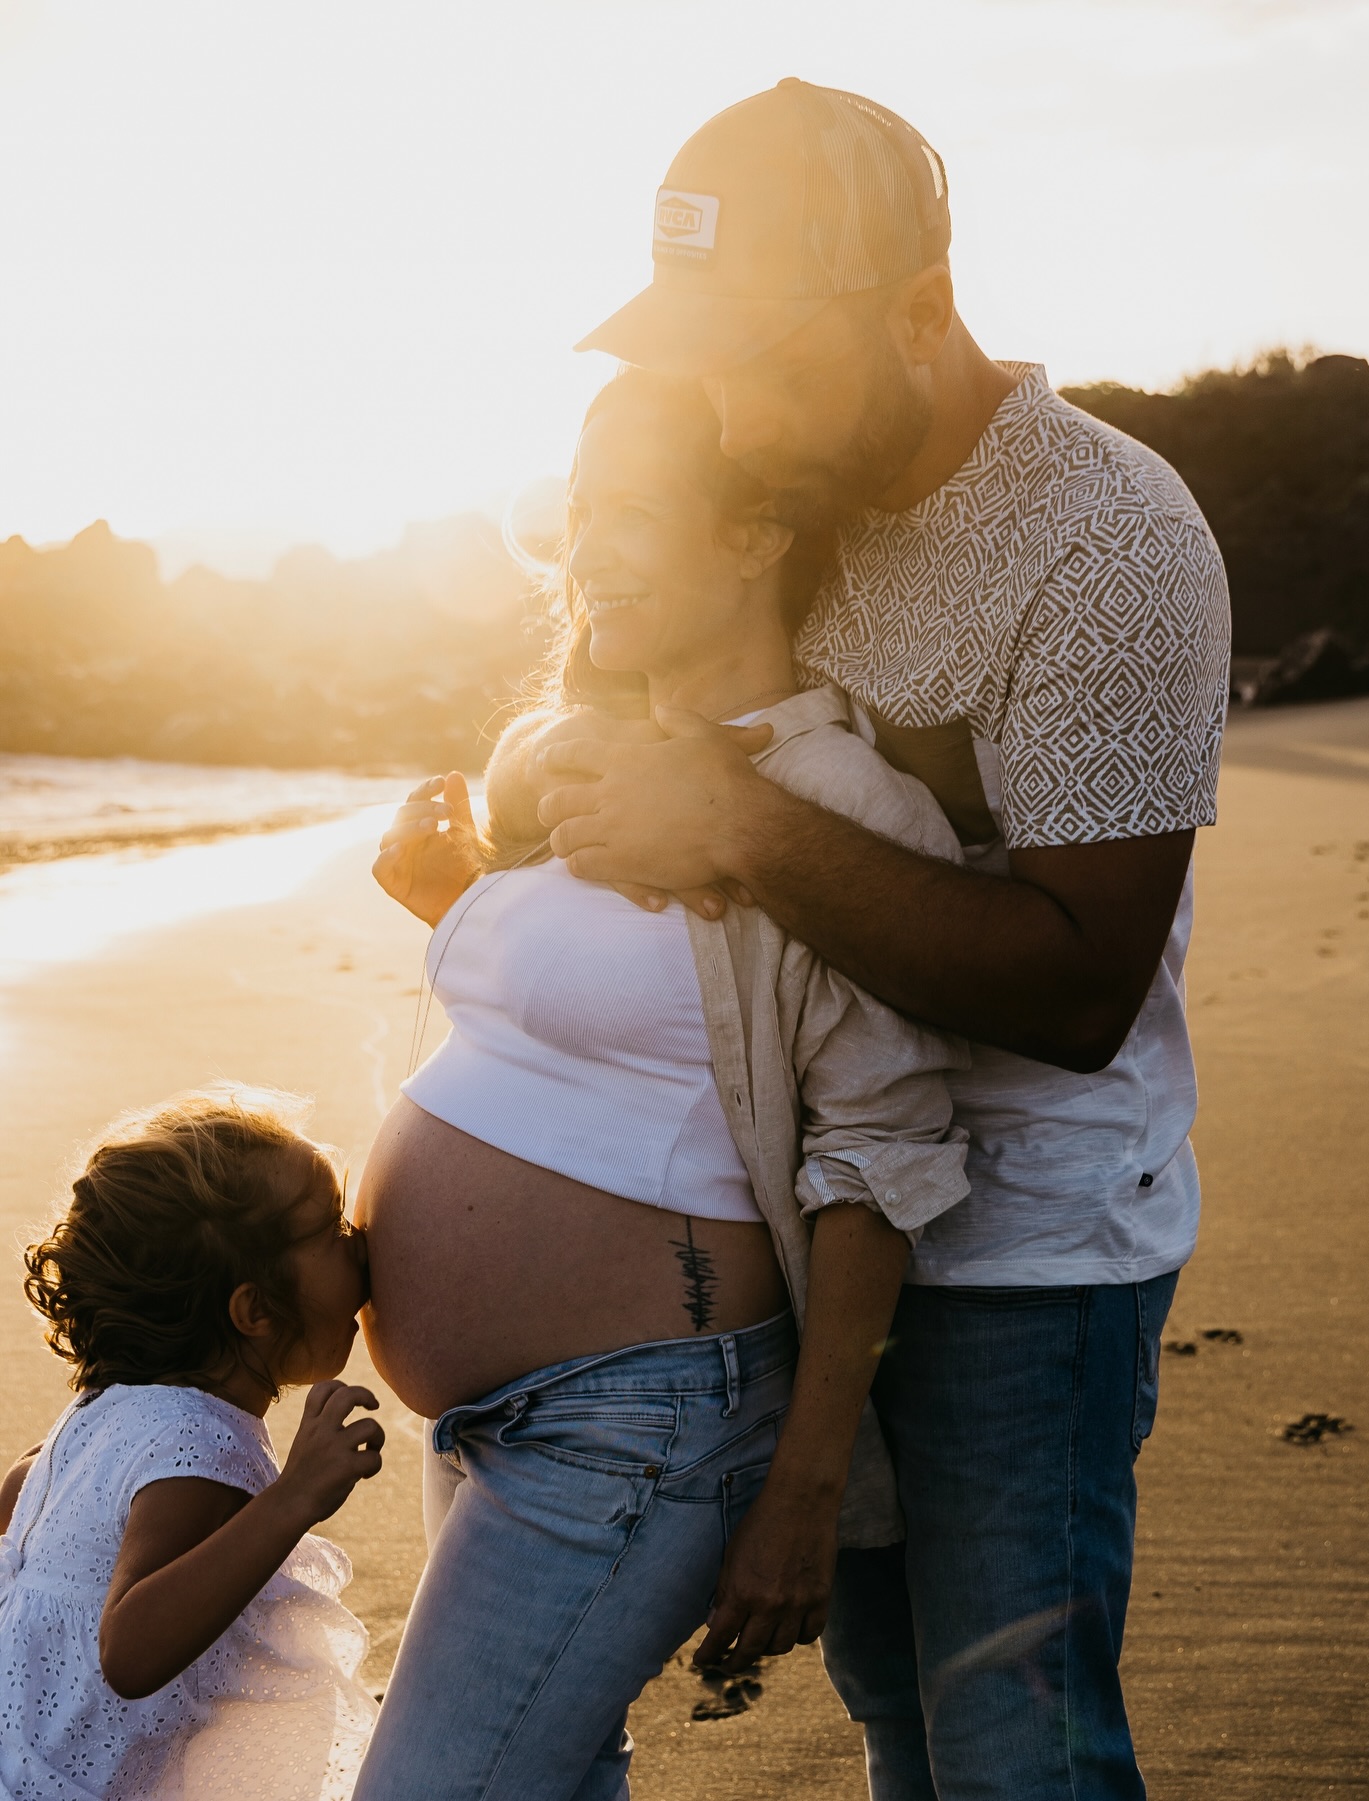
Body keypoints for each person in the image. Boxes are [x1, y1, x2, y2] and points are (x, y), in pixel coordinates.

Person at [498, 80, 1232, 1801]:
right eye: (707, 356)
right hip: (816, 1231)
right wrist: (512, 803)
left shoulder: (1109, 541)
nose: (728, 409)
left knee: (1013, 1753)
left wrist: (743, 826)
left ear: (920, 311)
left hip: (1027, 1253)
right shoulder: (788, 476)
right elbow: (619, 655)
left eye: (764, 355)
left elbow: (1074, 988)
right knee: (905, 1722)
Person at [352, 366, 970, 1800]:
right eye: (577, 512)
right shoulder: (559, 764)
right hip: (493, 1423)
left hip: (640, 1424)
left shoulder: (845, 812)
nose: (587, 549)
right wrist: (450, 907)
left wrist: (805, 1497)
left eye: (631, 508)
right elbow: (594, 1025)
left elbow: (877, 1166)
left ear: (755, 534)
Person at [0, 1086, 383, 1800]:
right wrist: (293, 1495)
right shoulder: (196, 1448)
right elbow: (132, 1649)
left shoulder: (95, 1413)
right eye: (330, 1225)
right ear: (255, 1309)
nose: (359, 1239)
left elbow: (19, 1499)